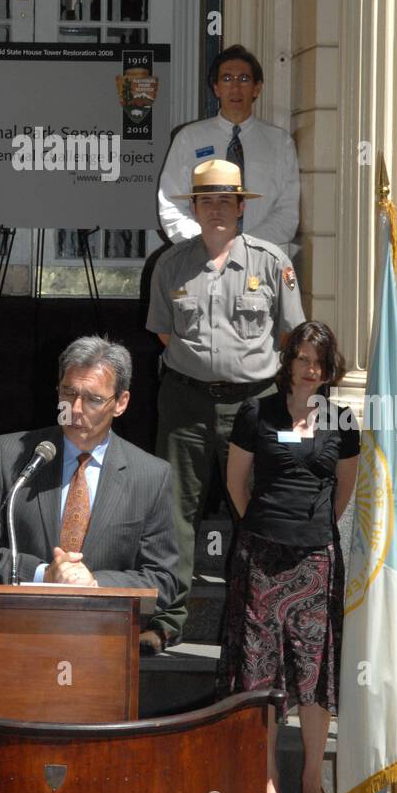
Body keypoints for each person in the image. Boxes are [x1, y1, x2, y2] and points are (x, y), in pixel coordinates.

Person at [145, 158, 305, 651]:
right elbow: (165, 334)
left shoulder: (271, 262)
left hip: (254, 405)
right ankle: (167, 620)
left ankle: (266, 618)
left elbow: (289, 335)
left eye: (225, 200)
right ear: (193, 207)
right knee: (174, 510)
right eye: (206, 200)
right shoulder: (169, 264)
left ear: (241, 207)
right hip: (186, 403)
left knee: (260, 506)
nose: (216, 209)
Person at [218, 321, 360, 793]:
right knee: (260, 670)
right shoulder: (255, 412)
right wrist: (265, 527)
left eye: (319, 362)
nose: (311, 369)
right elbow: (237, 484)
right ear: (289, 361)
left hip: (315, 559)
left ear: (329, 369)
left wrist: (308, 531)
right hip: (260, 557)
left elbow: (343, 491)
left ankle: (310, 781)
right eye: (303, 358)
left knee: (313, 671)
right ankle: (269, 778)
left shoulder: (342, 421)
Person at [0, 336, 178, 614]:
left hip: (104, 633)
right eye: (68, 394)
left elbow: (163, 580)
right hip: (17, 626)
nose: (76, 409)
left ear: (120, 402)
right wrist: (42, 574)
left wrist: (96, 583)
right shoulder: (12, 456)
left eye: (93, 399)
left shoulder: (151, 476)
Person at [157, 44, 300, 247]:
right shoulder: (188, 139)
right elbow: (171, 204)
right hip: (201, 260)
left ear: (257, 88)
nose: (235, 88)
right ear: (216, 88)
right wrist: (208, 245)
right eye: (226, 79)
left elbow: (287, 212)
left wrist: (244, 248)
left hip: (261, 262)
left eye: (243, 79)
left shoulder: (280, 143)